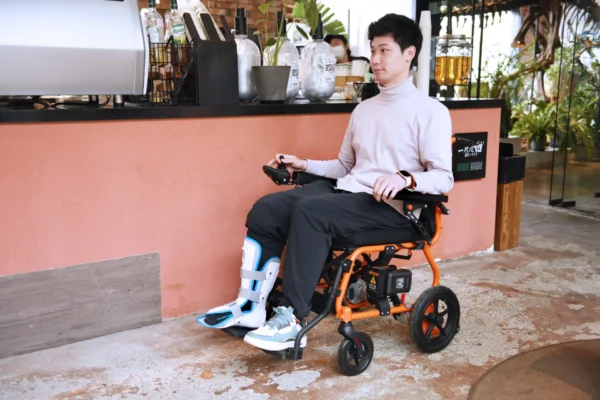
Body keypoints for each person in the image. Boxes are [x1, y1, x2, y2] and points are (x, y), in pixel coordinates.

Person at [197, 13, 454, 352]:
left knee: (312, 210)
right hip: (350, 194)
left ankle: (291, 317)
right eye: (373, 51)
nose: (374, 60)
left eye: (384, 51)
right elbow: (344, 166)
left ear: (409, 54)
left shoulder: (430, 111)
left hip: (393, 209)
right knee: (268, 208)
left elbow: (443, 178)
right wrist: (303, 164)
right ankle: (251, 306)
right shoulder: (364, 109)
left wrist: (404, 177)